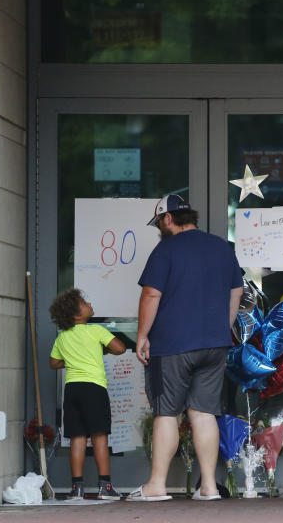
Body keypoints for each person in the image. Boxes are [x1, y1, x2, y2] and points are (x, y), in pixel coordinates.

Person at [127, 194, 243, 502]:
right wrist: (222, 327)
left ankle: (156, 485)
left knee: (167, 413)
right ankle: (208, 487)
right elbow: (237, 290)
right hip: (214, 344)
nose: (159, 229)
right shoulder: (221, 247)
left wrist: (142, 335)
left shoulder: (166, 249)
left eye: (159, 223)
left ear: (168, 219)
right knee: (204, 413)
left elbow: (151, 295)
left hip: (172, 345)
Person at [48, 289, 126, 501]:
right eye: (84, 302)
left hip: (72, 389)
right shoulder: (96, 331)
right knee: (99, 436)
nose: (89, 303)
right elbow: (120, 348)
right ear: (77, 315)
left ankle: (77, 489)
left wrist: (73, 362)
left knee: (77, 438)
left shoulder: (62, 337)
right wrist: (104, 350)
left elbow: (53, 362)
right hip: (94, 388)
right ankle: (105, 486)